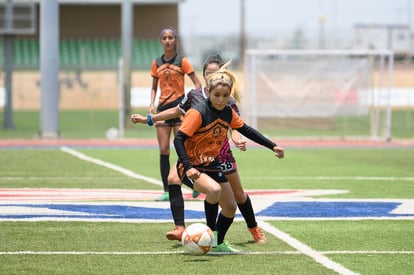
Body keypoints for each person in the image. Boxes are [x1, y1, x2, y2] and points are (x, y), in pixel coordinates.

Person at [131, 55, 269, 244]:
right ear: (204, 75)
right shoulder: (194, 96)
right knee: (175, 179)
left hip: (221, 153)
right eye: (208, 73)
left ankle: (253, 228)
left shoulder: (227, 99)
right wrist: (150, 119)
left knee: (237, 196)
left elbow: (237, 126)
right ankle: (183, 229)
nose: (211, 75)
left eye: (215, 72)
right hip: (196, 152)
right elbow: (176, 112)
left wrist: (237, 139)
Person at [173, 62, 285, 252]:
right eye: (216, 95)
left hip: (212, 164)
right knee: (214, 190)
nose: (220, 100)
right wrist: (188, 166)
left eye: (225, 96)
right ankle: (210, 238)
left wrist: (272, 145)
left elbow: (246, 130)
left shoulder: (227, 112)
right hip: (190, 166)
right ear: (208, 91)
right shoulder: (197, 112)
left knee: (231, 207)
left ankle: (217, 243)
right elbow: (178, 139)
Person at [149, 26, 201, 201]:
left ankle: (195, 184)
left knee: (184, 149)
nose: (167, 41)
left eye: (171, 37)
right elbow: (154, 87)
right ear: (161, 41)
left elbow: (197, 84)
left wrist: (192, 101)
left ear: (176, 41)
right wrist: (151, 104)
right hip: (163, 109)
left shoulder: (183, 61)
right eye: (164, 38)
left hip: (179, 109)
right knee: (164, 150)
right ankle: (166, 190)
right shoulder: (156, 63)